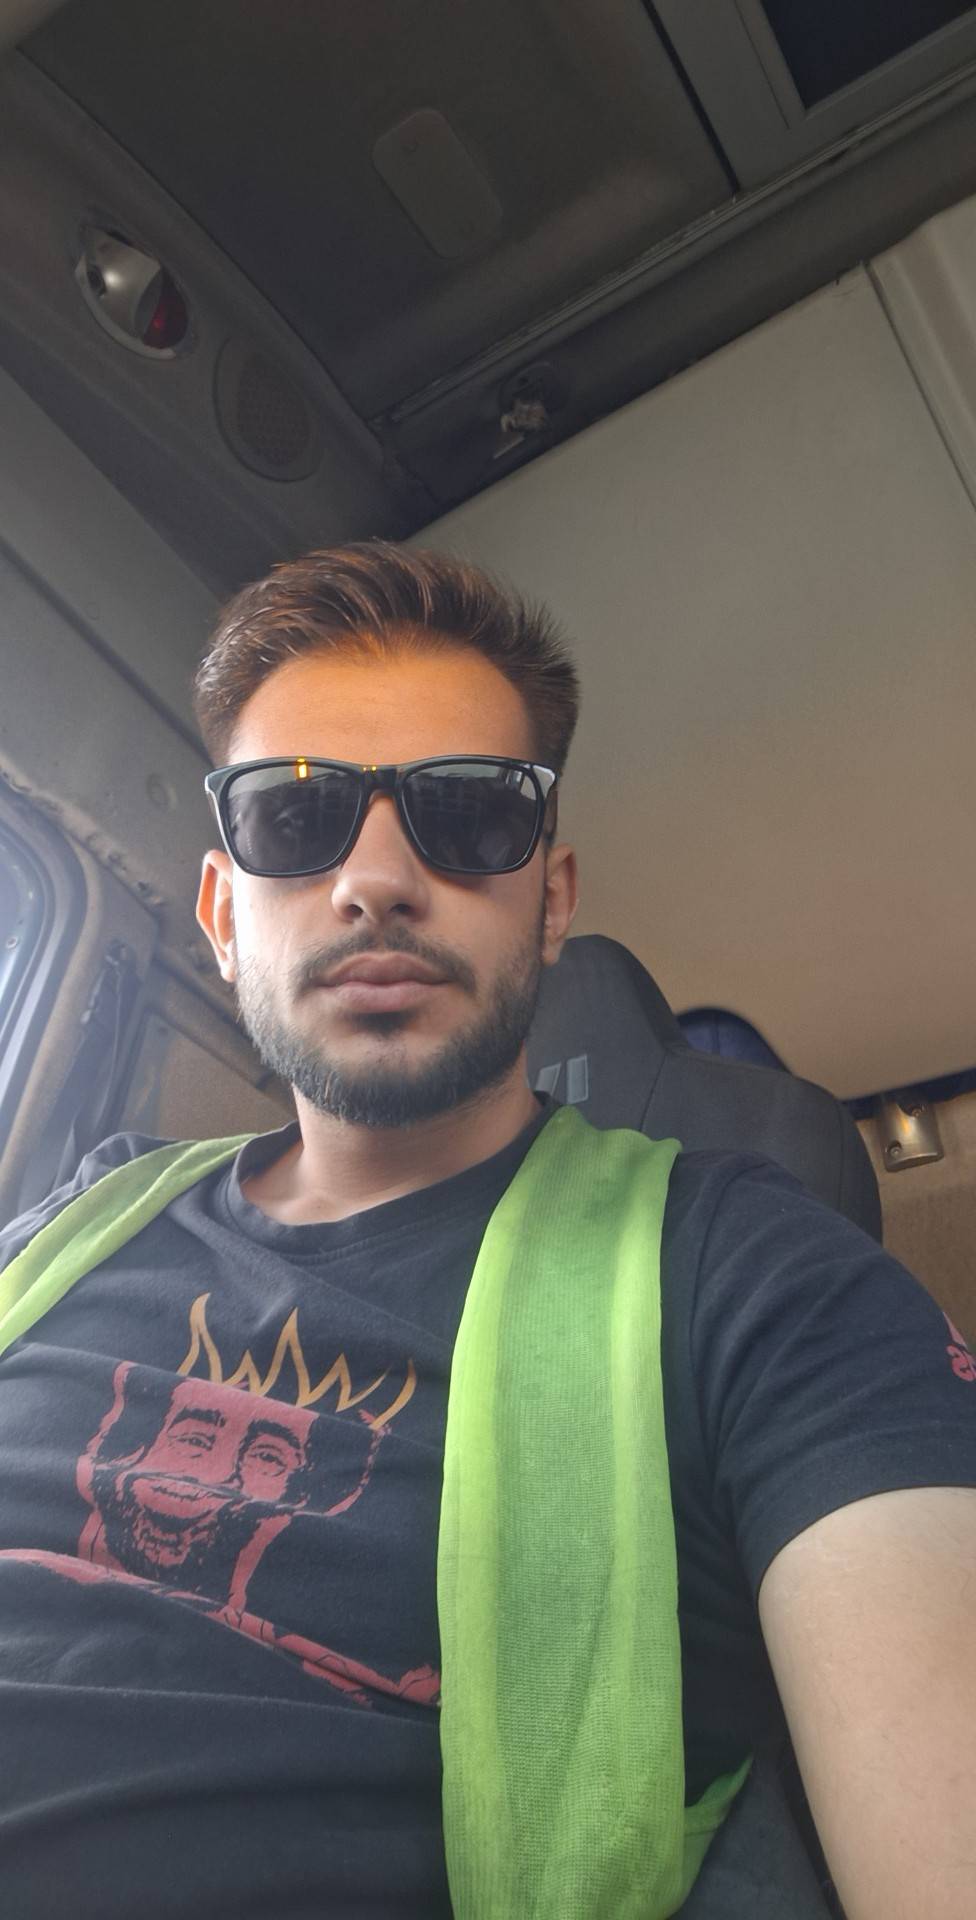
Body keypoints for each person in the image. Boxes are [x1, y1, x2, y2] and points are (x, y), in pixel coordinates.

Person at [0, 542, 973, 1920]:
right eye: (295, 816)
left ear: (552, 900)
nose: (377, 880)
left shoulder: (757, 1280)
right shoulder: (61, 1232)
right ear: (221, 913)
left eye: (465, 817)